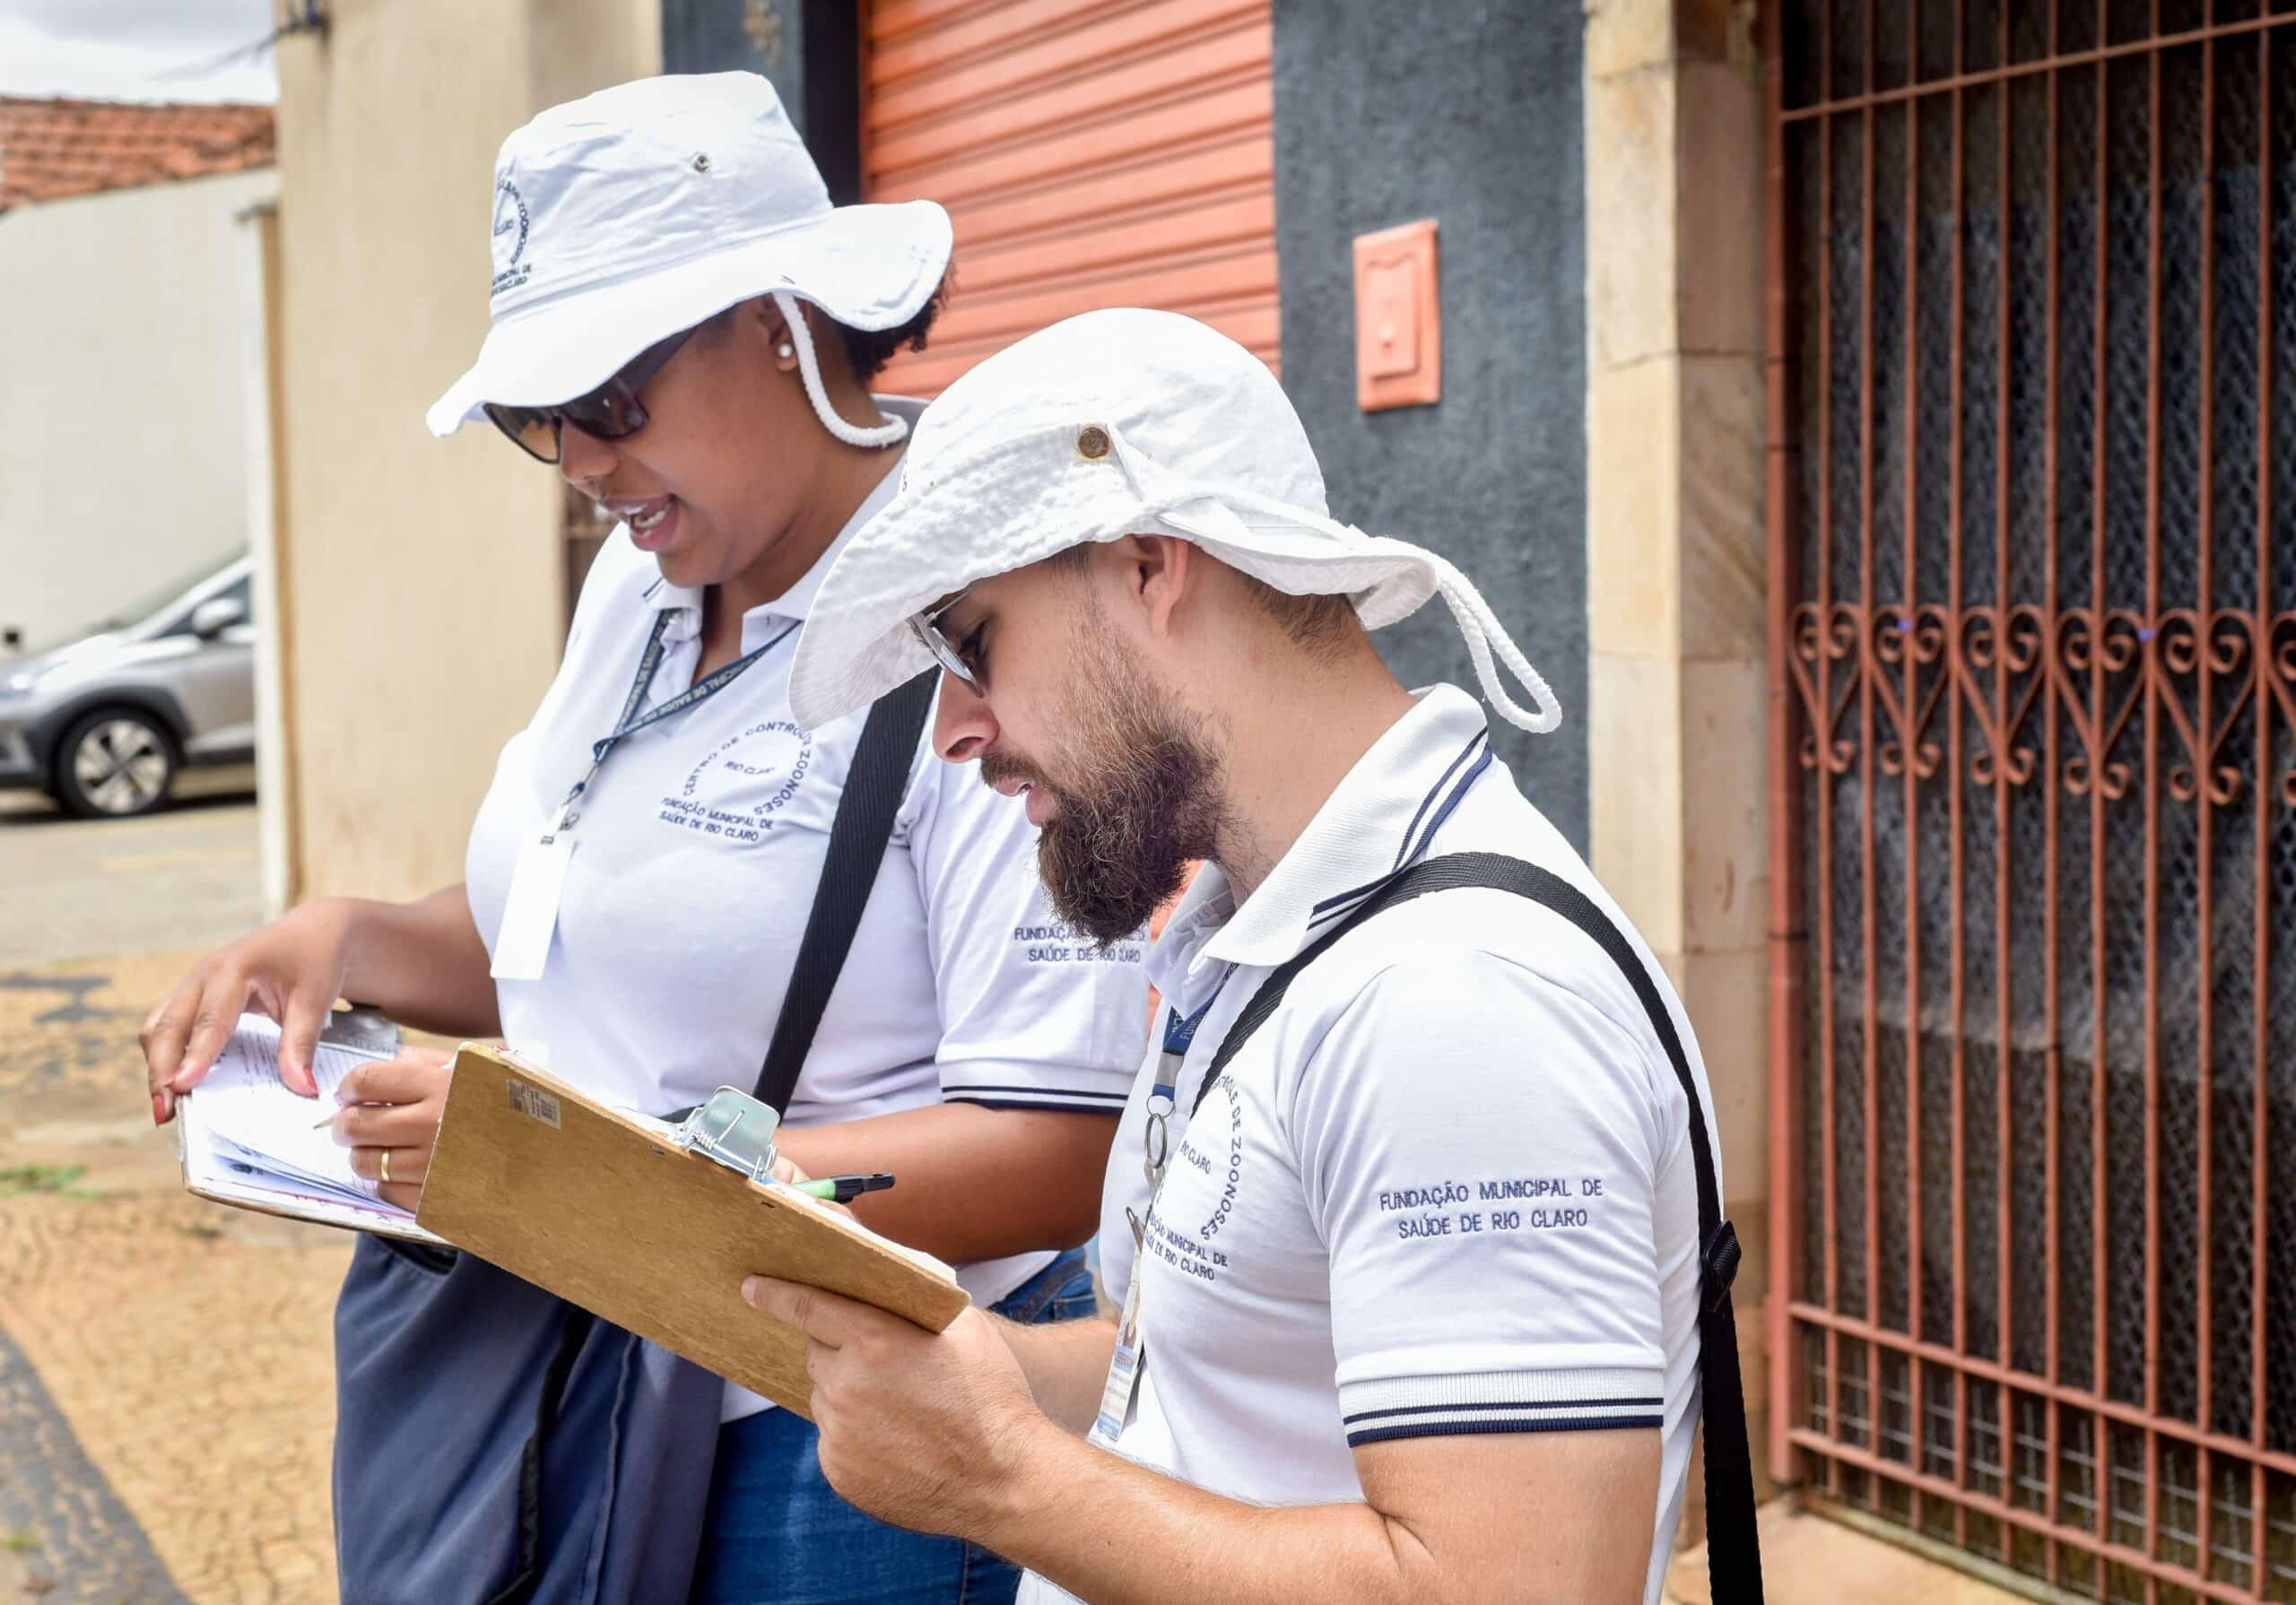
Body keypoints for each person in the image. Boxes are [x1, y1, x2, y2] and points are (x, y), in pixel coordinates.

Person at [140, 76, 1147, 1605]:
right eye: (538, 422)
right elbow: (559, 933)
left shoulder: (977, 618)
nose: (586, 462)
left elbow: (1058, 1147)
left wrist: (575, 1180)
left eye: (610, 401)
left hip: (844, 1444)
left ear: (783, 324)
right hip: (597, 1378)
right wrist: (344, 936)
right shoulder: (649, 582)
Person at [738, 308, 1764, 1605]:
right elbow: (1198, 1376)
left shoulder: (1455, 1001)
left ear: (1151, 567)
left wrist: (999, 1478)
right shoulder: (1266, 931)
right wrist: (959, 1369)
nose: (956, 730)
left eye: (971, 640)